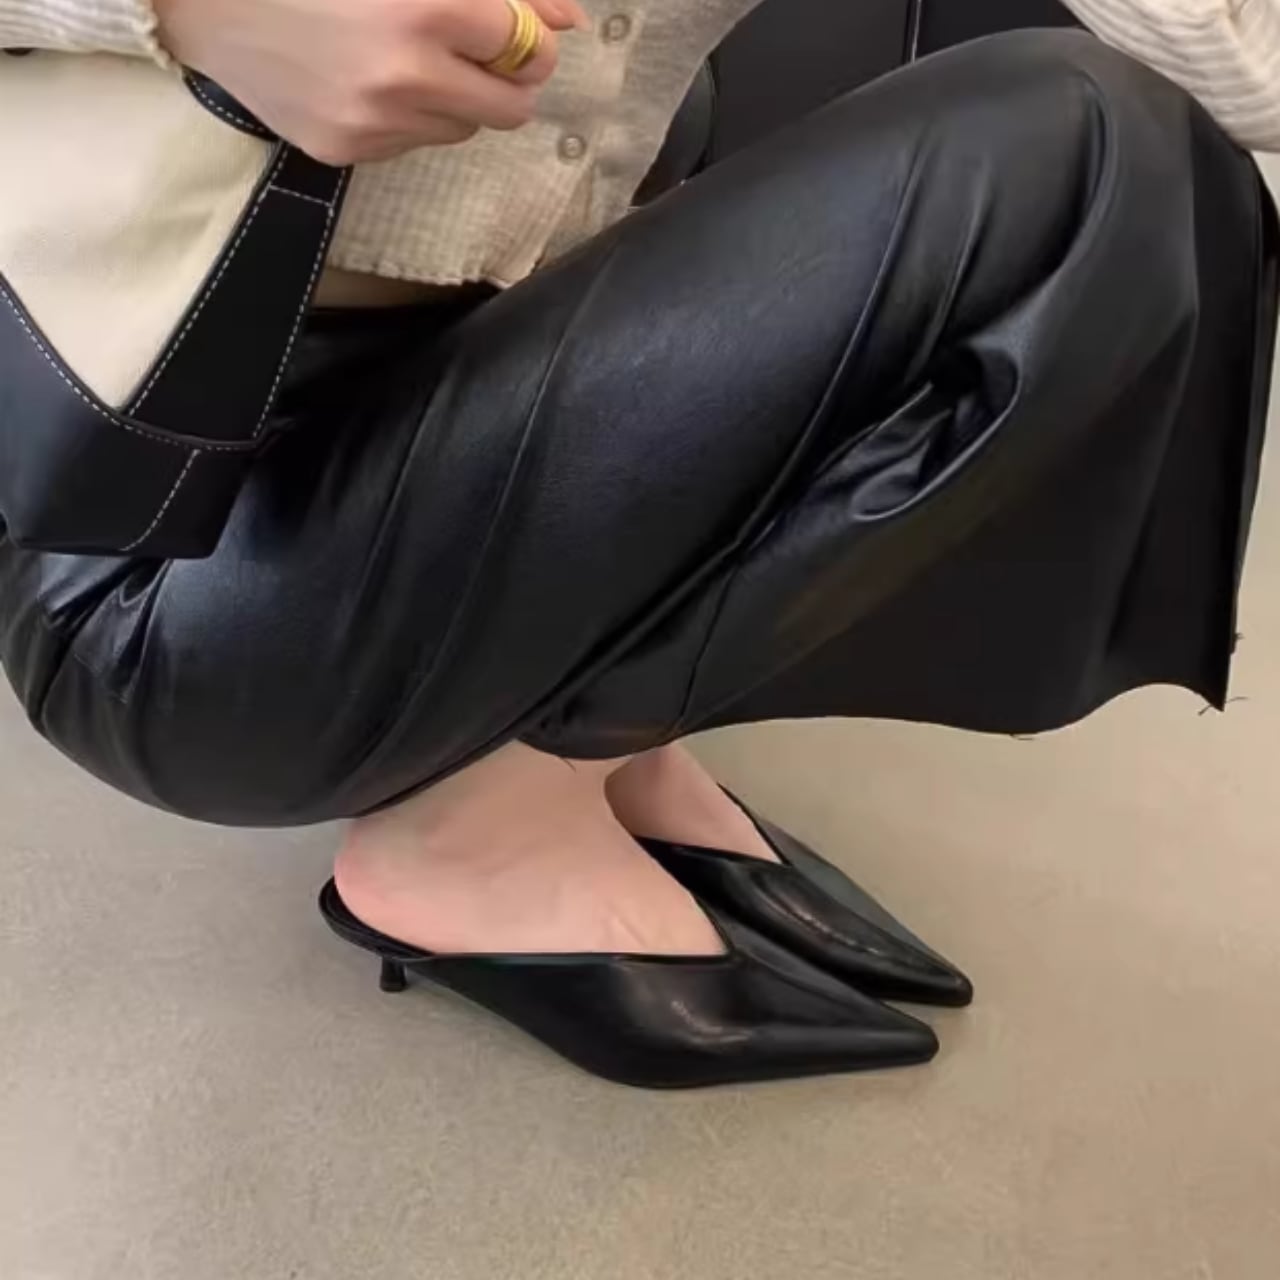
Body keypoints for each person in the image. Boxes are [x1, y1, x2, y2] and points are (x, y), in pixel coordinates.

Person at [0, 0, 1275, 1088]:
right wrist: (196, 13)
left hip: (441, 447)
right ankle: (479, 824)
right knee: (1082, 141)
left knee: (1120, 151)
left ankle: (594, 741)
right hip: (163, 545)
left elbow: (1236, 75)